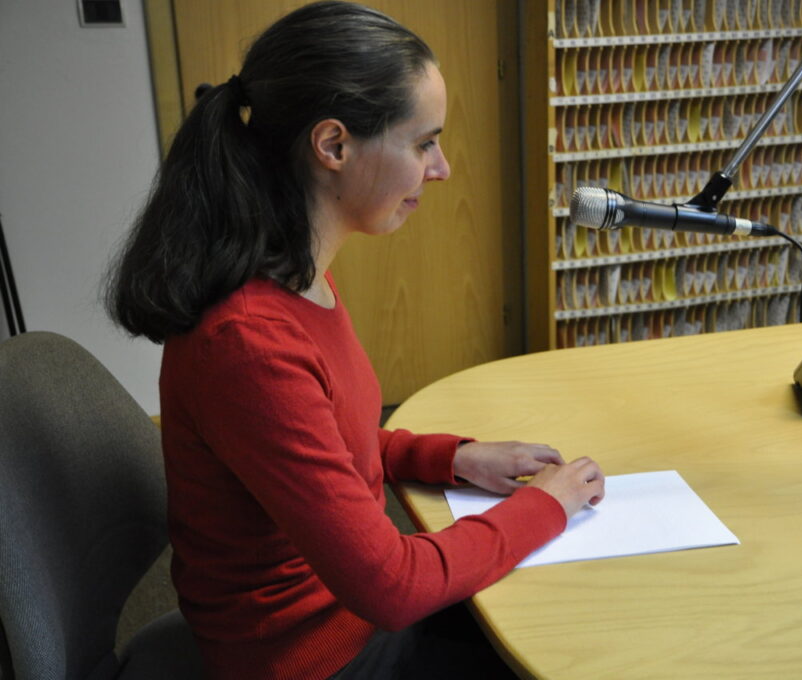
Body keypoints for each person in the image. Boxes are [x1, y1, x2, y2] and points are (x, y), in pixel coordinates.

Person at [105, 2, 605, 679]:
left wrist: (450, 458)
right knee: (569, 641)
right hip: (312, 658)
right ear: (334, 146)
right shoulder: (248, 343)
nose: (442, 168)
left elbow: (325, 443)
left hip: (343, 616)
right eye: (423, 142)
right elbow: (391, 588)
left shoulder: (297, 277)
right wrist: (543, 506)